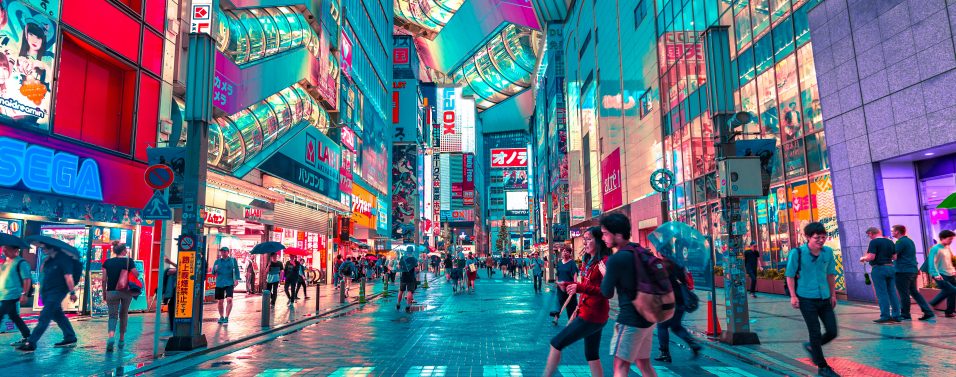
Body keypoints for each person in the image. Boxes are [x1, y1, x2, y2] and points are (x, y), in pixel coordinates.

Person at [543, 226, 612, 377]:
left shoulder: (604, 262)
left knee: (556, 343)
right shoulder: (590, 261)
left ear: (599, 241)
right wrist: (569, 287)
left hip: (592, 315)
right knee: (591, 354)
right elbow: (587, 287)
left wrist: (578, 287)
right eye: (584, 239)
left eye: (588, 239)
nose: (585, 243)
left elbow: (606, 292)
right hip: (591, 312)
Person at [598, 214, 659, 377]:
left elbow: (606, 292)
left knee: (620, 365)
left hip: (631, 319)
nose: (603, 238)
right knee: (643, 363)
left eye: (605, 233)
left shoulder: (616, 259)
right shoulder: (639, 250)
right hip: (649, 317)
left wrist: (605, 274)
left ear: (617, 234)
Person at [786, 222, 841, 377]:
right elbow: (789, 275)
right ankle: (823, 367)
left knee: (832, 331)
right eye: (817, 238)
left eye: (823, 237)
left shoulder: (828, 252)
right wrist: (793, 296)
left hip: (824, 298)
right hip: (806, 298)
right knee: (815, 331)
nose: (821, 240)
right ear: (808, 237)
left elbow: (830, 274)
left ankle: (812, 347)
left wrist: (833, 294)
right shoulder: (797, 253)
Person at [18, 245, 78, 352]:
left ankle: (31, 343)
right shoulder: (49, 260)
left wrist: (72, 292)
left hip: (57, 292)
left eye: (45, 247)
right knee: (58, 315)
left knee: (44, 317)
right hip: (47, 293)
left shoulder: (64, 260)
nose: (43, 249)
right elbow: (43, 274)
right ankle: (70, 336)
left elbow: (68, 277)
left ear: (53, 247)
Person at [653, 253, 701, 363]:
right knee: (676, 326)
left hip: (668, 301)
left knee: (662, 326)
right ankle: (692, 343)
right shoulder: (680, 266)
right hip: (681, 301)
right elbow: (685, 281)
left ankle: (664, 353)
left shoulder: (662, 266)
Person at [892, 225, 933, 321]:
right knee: (914, 292)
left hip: (903, 271)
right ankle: (928, 311)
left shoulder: (900, 242)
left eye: (893, 231)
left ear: (897, 232)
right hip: (912, 270)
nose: (892, 232)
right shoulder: (910, 241)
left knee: (904, 293)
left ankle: (905, 314)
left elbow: (894, 256)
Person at [859, 227, 901, 323]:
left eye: (868, 235)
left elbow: (871, 256)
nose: (869, 237)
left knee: (882, 293)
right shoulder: (890, 241)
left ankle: (885, 316)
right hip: (890, 268)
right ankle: (896, 315)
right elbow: (894, 257)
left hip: (879, 269)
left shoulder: (874, 242)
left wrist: (863, 258)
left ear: (871, 233)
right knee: (892, 292)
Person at [101, 242, 137, 351]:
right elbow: (135, 274)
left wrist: (104, 292)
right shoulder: (129, 261)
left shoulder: (107, 262)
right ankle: (121, 340)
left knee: (112, 316)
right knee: (123, 314)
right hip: (126, 290)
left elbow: (103, 279)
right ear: (123, 251)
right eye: (125, 249)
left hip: (111, 291)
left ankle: (111, 337)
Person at [1, 241, 31, 346]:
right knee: (14, 316)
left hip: (12, 295)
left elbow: (27, 279)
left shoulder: (21, 263)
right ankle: (27, 336)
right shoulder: (4, 263)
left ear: (15, 250)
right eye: (3, 248)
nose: (4, 251)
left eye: (7, 248)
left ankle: (28, 337)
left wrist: (24, 294)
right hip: (3, 295)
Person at [928, 230, 956, 318]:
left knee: (952, 292)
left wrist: (953, 270)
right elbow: (931, 262)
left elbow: (948, 261)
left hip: (950, 274)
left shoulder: (947, 248)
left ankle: (949, 312)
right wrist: (935, 274)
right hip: (940, 274)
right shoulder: (935, 249)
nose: (951, 241)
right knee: (952, 290)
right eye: (949, 239)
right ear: (942, 238)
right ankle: (930, 304)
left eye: (952, 239)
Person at [212, 247, 240, 323]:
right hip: (220, 283)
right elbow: (213, 273)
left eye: (224, 252)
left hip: (229, 282)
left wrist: (237, 279)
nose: (223, 253)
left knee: (229, 299)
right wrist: (215, 269)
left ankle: (227, 317)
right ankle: (221, 316)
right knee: (220, 301)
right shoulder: (217, 261)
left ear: (228, 252)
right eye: (222, 252)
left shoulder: (233, 261)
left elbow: (236, 270)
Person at [555, 246, 579, 319]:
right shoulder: (559, 263)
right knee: (559, 304)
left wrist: (575, 285)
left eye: (567, 252)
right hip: (560, 288)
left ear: (570, 254)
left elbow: (575, 274)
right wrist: (557, 283)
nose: (565, 253)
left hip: (569, 288)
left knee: (571, 306)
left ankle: (572, 321)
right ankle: (556, 319)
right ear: (562, 252)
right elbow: (557, 274)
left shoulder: (572, 263)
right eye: (564, 251)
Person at [161, 258, 177, 332]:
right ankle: (172, 326)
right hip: (175, 291)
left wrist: (175, 269)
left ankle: (173, 326)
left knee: (173, 306)